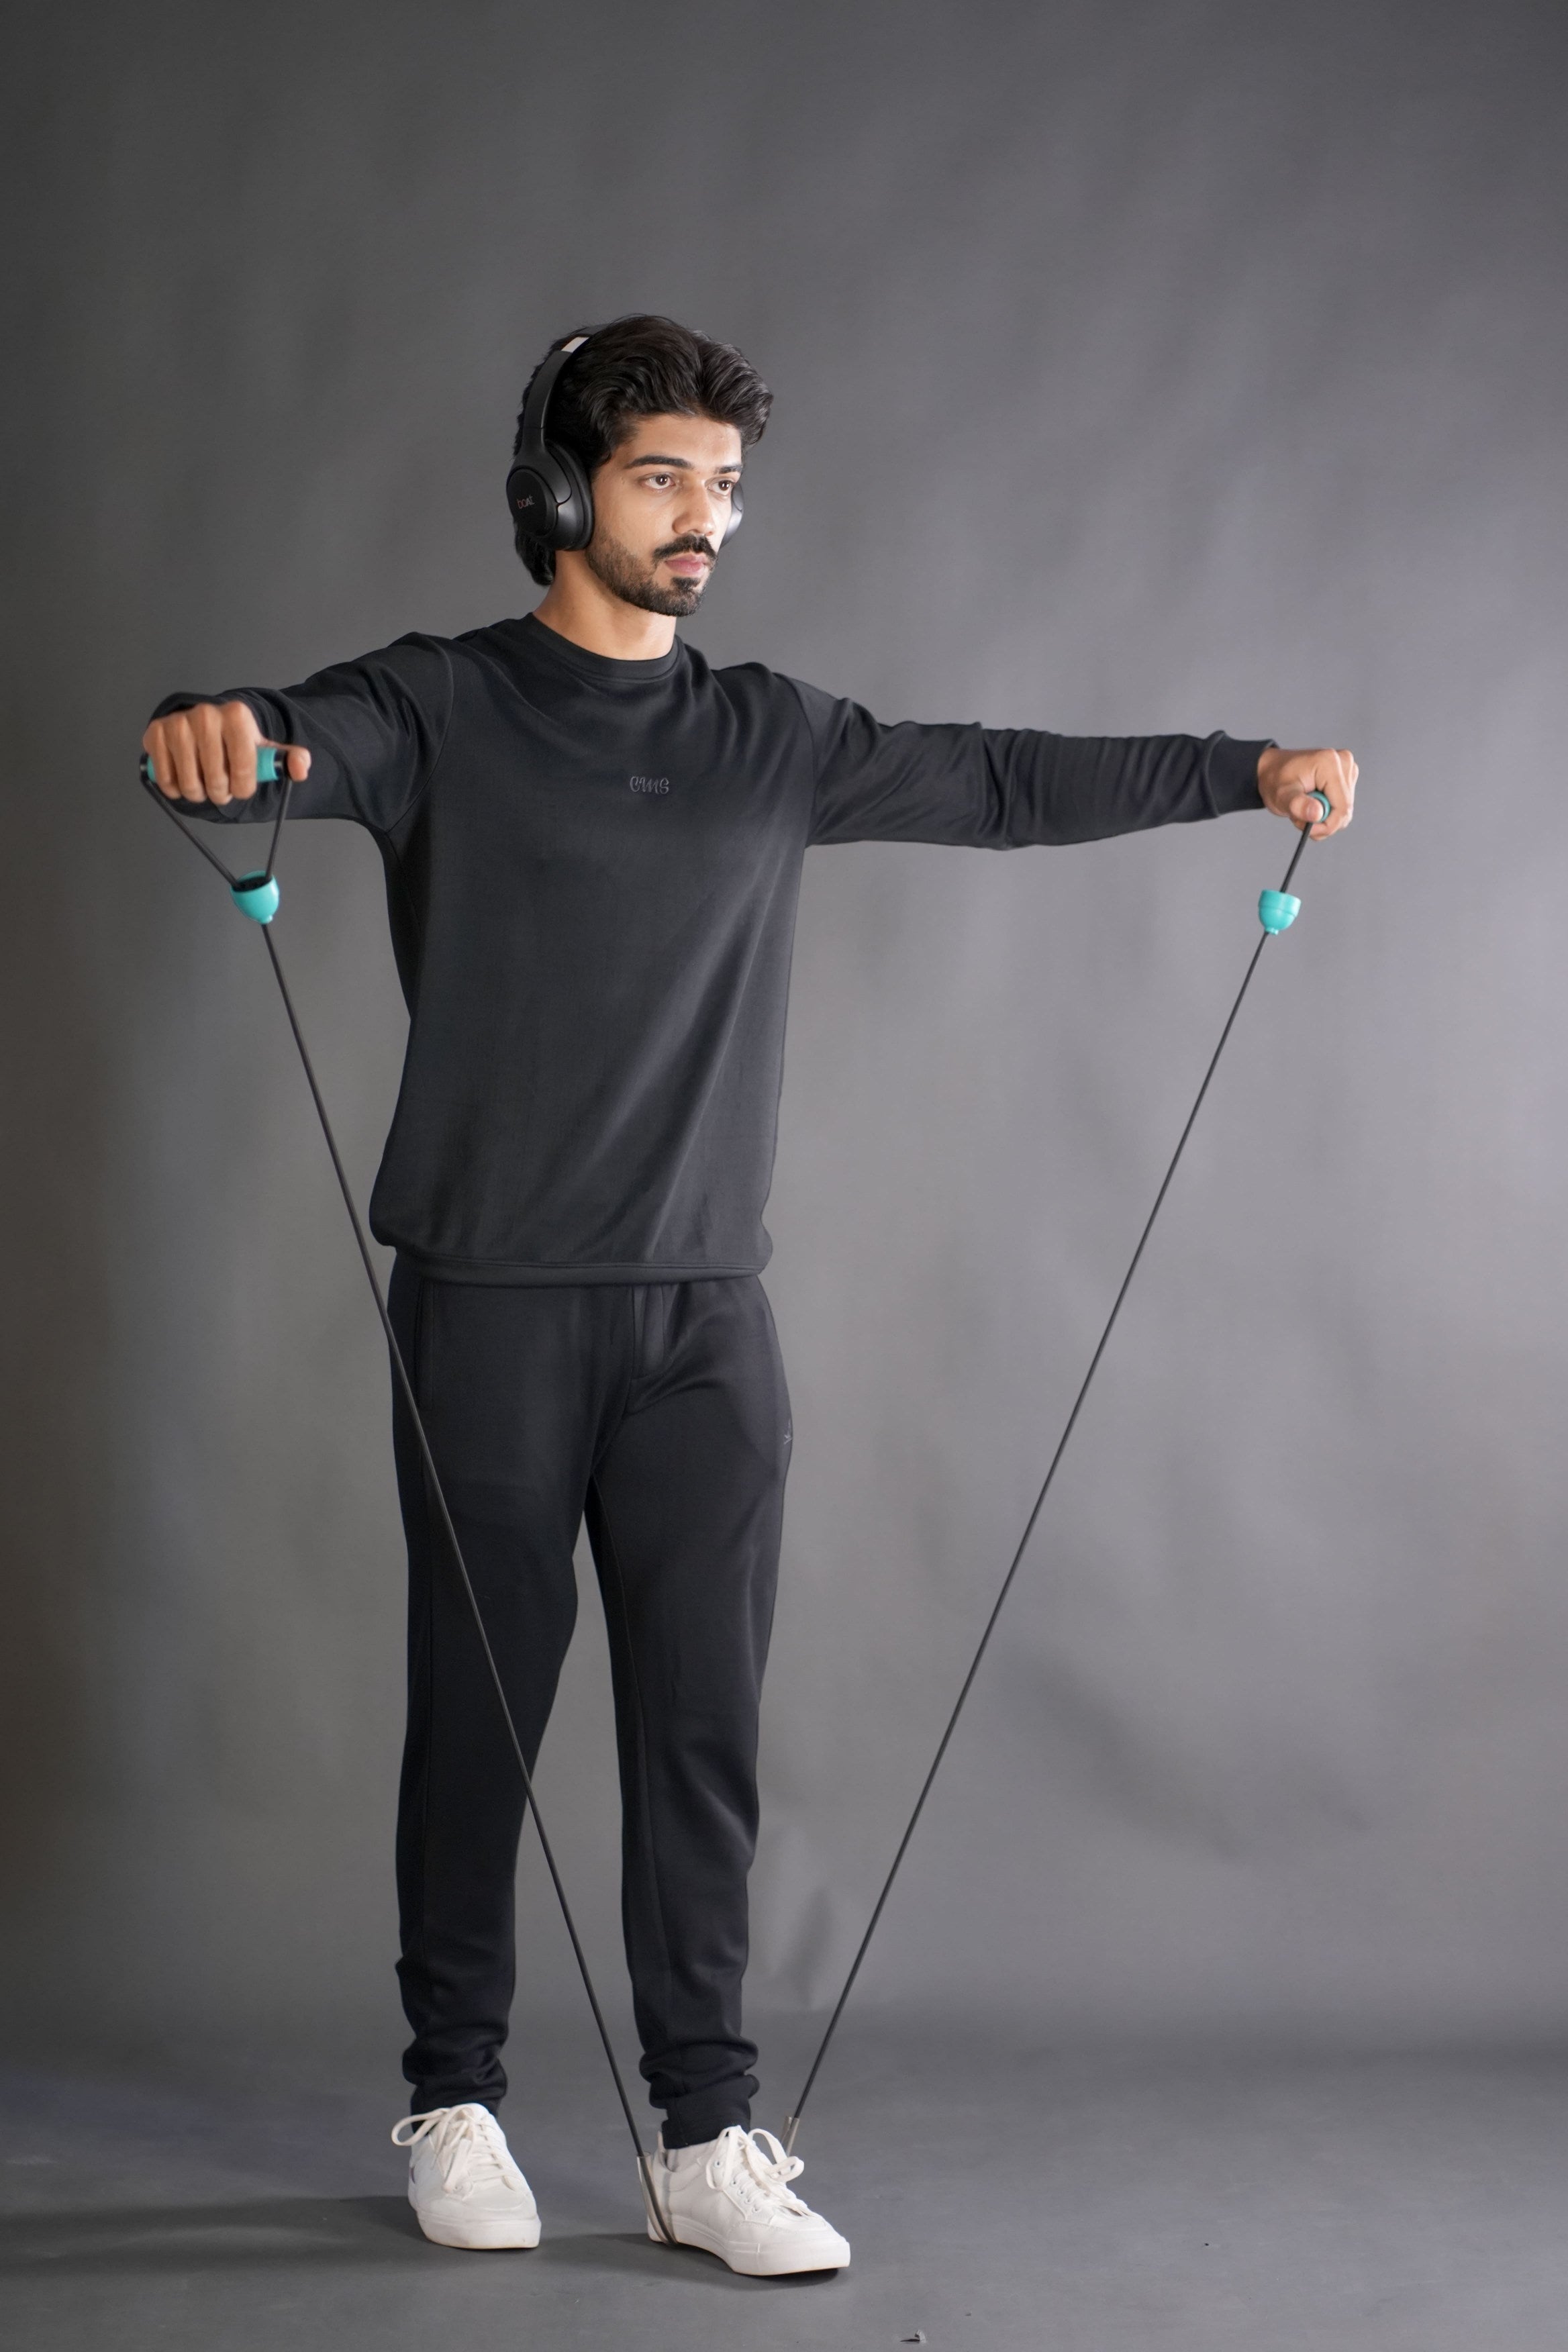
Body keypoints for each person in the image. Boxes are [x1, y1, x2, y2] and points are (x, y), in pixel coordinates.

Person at [142, 313, 1356, 2277]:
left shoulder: (772, 734)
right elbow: (281, 738)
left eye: (722, 487)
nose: (703, 519)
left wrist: (1245, 772)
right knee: (478, 1720)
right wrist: (210, 730)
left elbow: (1000, 780)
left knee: (702, 1735)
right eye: (662, 481)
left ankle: (706, 2133)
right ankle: (454, 2095)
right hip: (489, 1309)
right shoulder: (441, 704)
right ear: (559, 493)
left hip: (706, 1323)